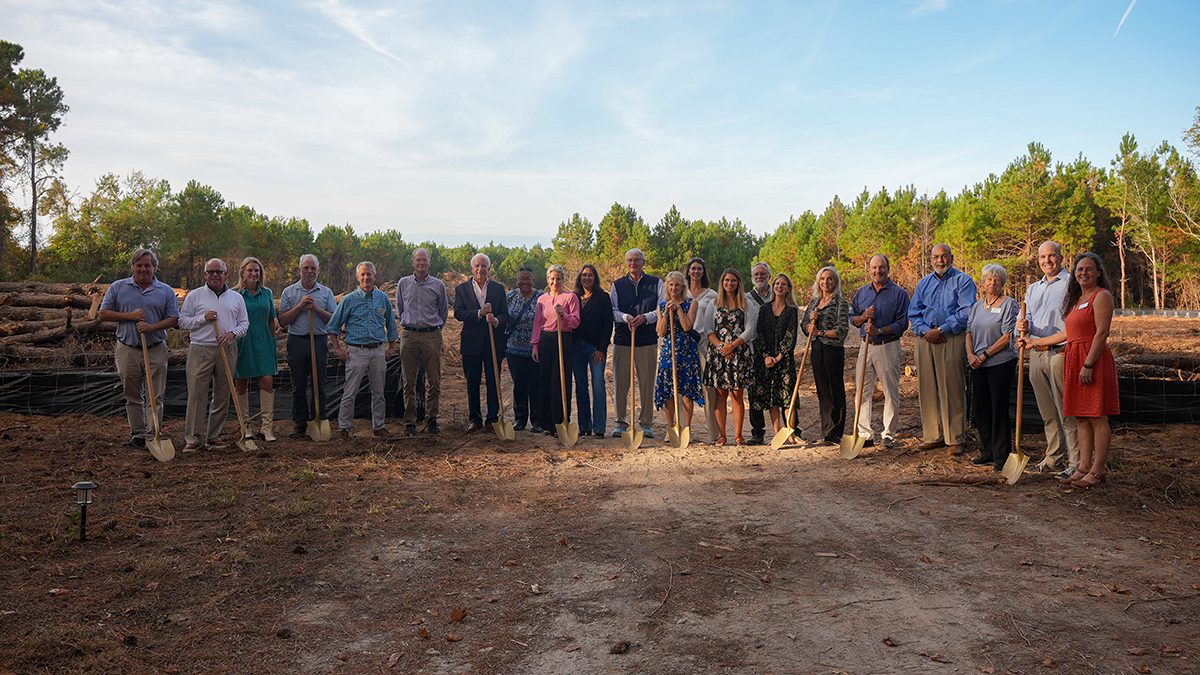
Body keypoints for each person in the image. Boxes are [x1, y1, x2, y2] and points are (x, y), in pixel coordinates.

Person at [1020, 252, 1118, 489]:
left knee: (1097, 416)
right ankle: (1083, 466)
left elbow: (1101, 333)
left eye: (1088, 269)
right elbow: (1068, 334)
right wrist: (1035, 343)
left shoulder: (1101, 296)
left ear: (1098, 273)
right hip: (1074, 357)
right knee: (1082, 416)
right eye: (1080, 270)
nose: (1083, 273)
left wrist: (1088, 364)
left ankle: (1097, 470)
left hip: (1090, 359)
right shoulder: (1076, 299)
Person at [98, 249, 180, 450]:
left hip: (156, 348)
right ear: (133, 266)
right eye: (140, 265)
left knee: (155, 395)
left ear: (154, 268)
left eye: (148, 265)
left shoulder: (165, 291)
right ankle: (138, 435)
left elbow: (174, 319)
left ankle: (154, 434)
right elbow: (104, 314)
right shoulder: (118, 287)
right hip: (127, 348)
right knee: (132, 393)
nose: (143, 269)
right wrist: (131, 316)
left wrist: (152, 327)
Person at [1016, 241, 1078, 479]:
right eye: (1042, 257)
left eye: (1051, 256)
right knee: (1047, 411)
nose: (1047, 261)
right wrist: (1022, 326)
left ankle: (1075, 460)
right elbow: (1026, 319)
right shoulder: (1033, 288)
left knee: (1065, 410)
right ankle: (1053, 457)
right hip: (1035, 352)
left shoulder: (1071, 283)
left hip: (1059, 353)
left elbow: (1074, 323)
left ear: (1061, 258)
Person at [909, 244, 976, 455]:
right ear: (931, 260)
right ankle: (932, 435)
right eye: (936, 257)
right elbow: (914, 312)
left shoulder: (963, 281)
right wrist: (925, 330)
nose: (940, 260)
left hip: (951, 338)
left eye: (944, 256)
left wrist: (942, 329)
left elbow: (966, 311)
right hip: (925, 339)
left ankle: (955, 437)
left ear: (951, 258)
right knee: (927, 387)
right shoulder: (924, 283)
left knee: (952, 387)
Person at [177, 258, 249, 451]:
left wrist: (232, 334)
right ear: (205, 275)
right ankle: (193, 438)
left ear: (226, 275)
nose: (215, 275)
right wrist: (203, 318)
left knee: (223, 393)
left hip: (227, 348)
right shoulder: (195, 296)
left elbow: (244, 323)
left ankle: (214, 436)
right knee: (197, 393)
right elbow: (182, 321)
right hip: (201, 348)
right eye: (211, 272)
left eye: (219, 272)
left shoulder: (236, 298)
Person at [328, 262, 397, 439]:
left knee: (378, 392)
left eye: (369, 274)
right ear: (358, 277)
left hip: (378, 351)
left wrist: (391, 347)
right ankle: (344, 427)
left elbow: (390, 323)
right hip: (356, 351)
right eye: (363, 275)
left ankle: (379, 426)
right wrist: (338, 349)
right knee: (350, 391)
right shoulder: (349, 300)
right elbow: (333, 326)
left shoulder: (383, 299)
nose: (366, 278)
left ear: (375, 276)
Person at [849, 254, 910, 448]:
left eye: (881, 267)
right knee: (862, 391)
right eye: (874, 268)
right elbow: (853, 318)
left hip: (888, 346)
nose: (878, 271)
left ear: (888, 268)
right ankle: (865, 434)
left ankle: (888, 434)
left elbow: (903, 323)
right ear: (869, 269)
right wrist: (863, 316)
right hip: (865, 346)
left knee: (890, 391)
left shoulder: (899, 294)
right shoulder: (861, 293)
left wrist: (880, 330)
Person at [965, 264, 1019, 471]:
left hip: (999, 363)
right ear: (983, 282)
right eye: (989, 279)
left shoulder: (1009, 304)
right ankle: (986, 451)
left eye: (997, 279)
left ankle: (1001, 455)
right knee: (981, 408)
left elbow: (1007, 336)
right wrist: (971, 355)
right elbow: (968, 331)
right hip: (977, 364)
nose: (992, 282)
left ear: (1003, 283)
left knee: (998, 408)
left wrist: (985, 355)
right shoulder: (977, 307)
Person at [277, 254, 338, 439]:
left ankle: (318, 418)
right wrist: (300, 306)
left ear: (317, 271)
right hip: (296, 342)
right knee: (299, 385)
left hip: (318, 341)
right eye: (306, 268)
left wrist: (317, 309)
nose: (310, 271)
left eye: (313, 268)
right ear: (300, 269)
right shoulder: (289, 292)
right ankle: (299, 424)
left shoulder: (326, 293)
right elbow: (283, 320)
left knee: (319, 384)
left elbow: (334, 320)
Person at [610, 248, 664, 439]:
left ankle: (646, 423)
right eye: (630, 260)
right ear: (626, 263)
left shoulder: (656, 283)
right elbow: (613, 310)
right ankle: (620, 422)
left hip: (647, 341)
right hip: (623, 340)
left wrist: (645, 318)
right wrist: (626, 317)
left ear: (643, 262)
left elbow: (661, 308)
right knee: (621, 383)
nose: (633, 263)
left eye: (637, 260)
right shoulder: (617, 285)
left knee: (647, 383)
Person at [453, 253, 509, 433]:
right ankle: (475, 419)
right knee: (473, 382)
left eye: (484, 266)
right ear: (472, 269)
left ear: (489, 269)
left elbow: (505, 314)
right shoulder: (462, 289)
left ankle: (492, 419)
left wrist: (496, 321)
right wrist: (479, 313)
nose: (480, 269)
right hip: (471, 343)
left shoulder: (498, 289)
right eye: (477, 266)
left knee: (493, 381)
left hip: (493, 343)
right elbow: (459, 313)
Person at [395, 247, 448, 436]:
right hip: (409, 335)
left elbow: (443, 312)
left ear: (429, 264)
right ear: (412, 263)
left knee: (434, 380)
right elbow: (400, 309)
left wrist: (433, 330)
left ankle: (432, 419)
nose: (421, 263)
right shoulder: (403, 284)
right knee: (408, 381)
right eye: (418, 260)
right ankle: (409, 422)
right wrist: (409, 325)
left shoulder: (438, 285)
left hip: (431, 336)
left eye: (424, 260)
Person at [704, 268, 755, 446]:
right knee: (720, 395)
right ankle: (722, 435)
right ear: (722, 282)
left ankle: (739, 435)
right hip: (719, 355)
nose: (729, 284)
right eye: (726, 280)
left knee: (737, 395)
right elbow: (708, 329)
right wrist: (721, 346)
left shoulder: (746, 303)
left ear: (738, 283)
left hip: (739, 353)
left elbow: (750, 329)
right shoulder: (714, 303)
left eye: (733, 281)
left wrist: (732, 346)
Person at [232, 257, 279, 442]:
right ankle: (245, 427)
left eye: (257, 271)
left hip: (264, 342)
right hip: (242, 342)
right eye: (250, 270)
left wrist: (272, 342)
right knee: (241, 383)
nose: (253, 274)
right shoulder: (235, 294)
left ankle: (267, 428)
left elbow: (271, 319)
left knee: (267, 381)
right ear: (242, 272)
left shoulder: (267, 293)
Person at [801, 266, 849, 444]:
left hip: (833, 350)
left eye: (829, 279)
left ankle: (836, 433)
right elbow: (804, 325)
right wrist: (809, 327)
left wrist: (819, 332)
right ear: (818, 281)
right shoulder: (814, 302)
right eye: (822, 279)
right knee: (823, 391)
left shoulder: (840, 303)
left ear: (835, 281)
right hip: (816, 349)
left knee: (835, 389)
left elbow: (841, 330)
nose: (825, 282)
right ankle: (826, 431)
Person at [531, 265, 580, 435]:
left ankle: (561, 420)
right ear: (547, 280)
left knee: (560, 380)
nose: (555, 282)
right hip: (546, 339)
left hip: (563, 339)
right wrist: (535, 345)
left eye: (558, 278)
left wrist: (563, 315)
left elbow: (575, 321)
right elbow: (537, 323)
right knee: (545, 380)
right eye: (552, 278)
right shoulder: (542, 299)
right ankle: (547, 423)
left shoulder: (570, 297)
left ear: (563, 279)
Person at [654, 271, 703, 431]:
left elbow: (687, 326)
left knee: (687, 392)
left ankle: (687, 428)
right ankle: (671, 427)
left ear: (683, 287)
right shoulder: (661, 306)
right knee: (668, 391)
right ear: (667, 287)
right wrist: (668, 312)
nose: (674, 288)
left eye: (677, 285)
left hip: (687, 351)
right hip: (669, 351)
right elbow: (660, 332)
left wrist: (679, 309)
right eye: (671, 285)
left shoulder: (692, 303)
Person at [751, 273, 798, 437]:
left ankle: (791, 433)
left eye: (783, 284)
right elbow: (759, 334)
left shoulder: (792, 311)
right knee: (773, 399)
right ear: (774, 286)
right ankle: (778, 433)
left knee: (787, 398)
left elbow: (791, 336)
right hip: (767, 361)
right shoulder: (764, 309)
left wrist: (779, 357)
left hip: (784, 362)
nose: (779, 286)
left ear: (788, 289)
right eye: (777, 283)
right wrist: (766, 356)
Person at [573, 264, 613, 437]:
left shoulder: (603, 297)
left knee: (598, 385)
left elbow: (608, 324)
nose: (587, 278)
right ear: (579, 278)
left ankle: (599, 428)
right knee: (581, 387)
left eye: (590, 275)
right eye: (584, 275)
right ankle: (584, 426)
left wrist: (601, 348)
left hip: (596, 349)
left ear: (595, 278)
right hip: (576, 348)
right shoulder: (574, 297)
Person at [686, 257, 721, 443]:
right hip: (685, 344)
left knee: (709, 389)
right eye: (693, 268)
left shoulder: (712, 295)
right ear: (688, 271)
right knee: (684, 388)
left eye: (699, 268)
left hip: (704, 344)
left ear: (703, 272)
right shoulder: (682, 292)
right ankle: (682, 430)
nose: (696, 271)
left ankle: (713, 433)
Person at [506, 266, 544, 433]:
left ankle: (537, 420)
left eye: (527, 278)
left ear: (533, 280)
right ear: (517, 280)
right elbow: (502, 316)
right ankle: (520, 419)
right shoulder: (510, 296)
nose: (524, 282)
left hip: (535, 350)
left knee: (535, 385)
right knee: (519, 384)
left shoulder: (541, 297)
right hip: (513, 350)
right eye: (521, 278)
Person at [745, 261, 772, 445]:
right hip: (754, 350)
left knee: (780, 389)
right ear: (752, 277)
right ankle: (757, 431)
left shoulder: (778, 292)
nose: (760, 277)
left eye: (763, 274)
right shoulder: (746, 298)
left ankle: (791, 428)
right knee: (755, 391)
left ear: (769, 276)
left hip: (776, 349)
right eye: (757, 274)